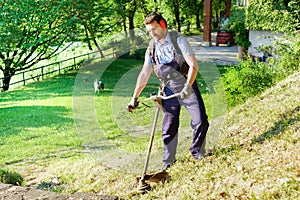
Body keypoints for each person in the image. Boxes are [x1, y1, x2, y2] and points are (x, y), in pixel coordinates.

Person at [128, 12, 209, 171]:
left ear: (163, 24)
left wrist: (188, 86)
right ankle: (168, 162)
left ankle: (197, 151)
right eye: (149, 31)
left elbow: (193, 65)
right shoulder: (151, 48)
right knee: (168, 127)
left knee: (200, 120)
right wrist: (134, 97)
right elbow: (145, 73)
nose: (152, 33)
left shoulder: (179, 41)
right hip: (168, 88)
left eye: (155, 29)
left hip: (187, 83)